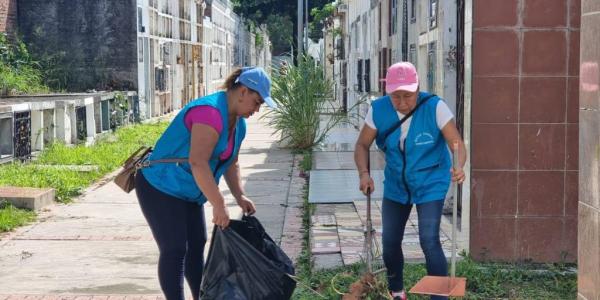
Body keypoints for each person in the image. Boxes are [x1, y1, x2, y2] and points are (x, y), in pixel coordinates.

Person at [134, 67, 277, 300]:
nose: (257, 109)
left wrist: (239, 195)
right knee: (175, 248)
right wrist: (218, 204)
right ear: (242, 91)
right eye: (257, 101)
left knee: (197, 244)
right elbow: (198, 162)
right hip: (161, 185)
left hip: (190, 189)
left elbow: (231, 162)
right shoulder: (209, 112)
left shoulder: (238, 123)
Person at [354, 62, 466, 300]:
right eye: (396, 96)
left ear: (417, 89)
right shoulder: (378, 110)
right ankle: (397, 291)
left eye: (408, 95)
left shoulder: (435, 107)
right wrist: (364, 174)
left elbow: (456, 143)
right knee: (390, 241)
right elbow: (362, 145)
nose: (403, 102)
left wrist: (459, 165)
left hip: (431, 181)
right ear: (388, 91)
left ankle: (439, 297)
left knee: (429, 238)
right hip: (396, 183)